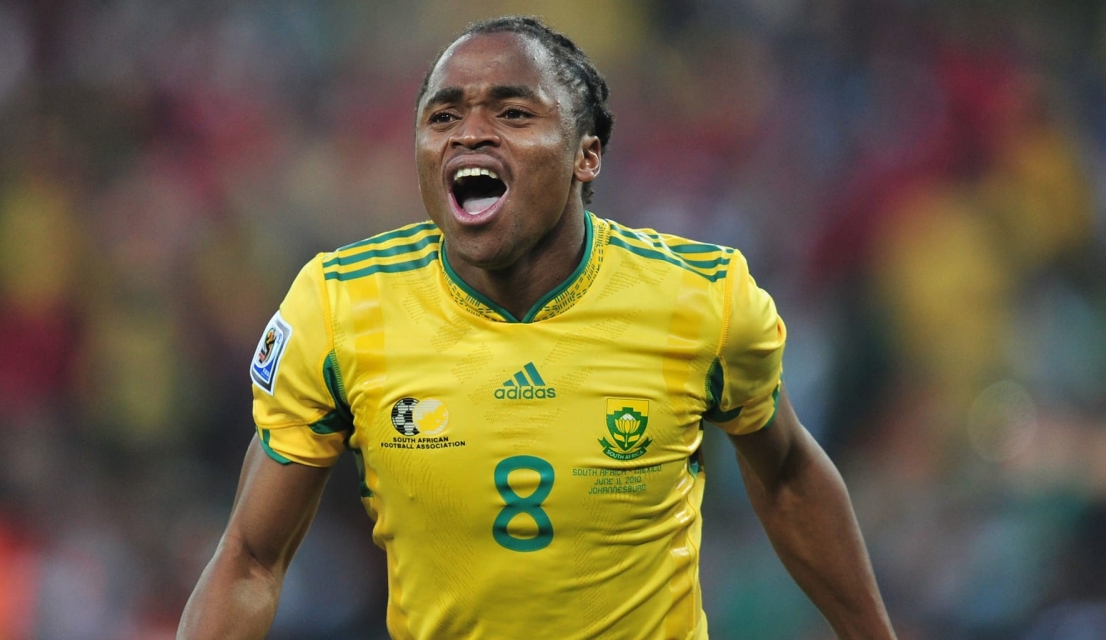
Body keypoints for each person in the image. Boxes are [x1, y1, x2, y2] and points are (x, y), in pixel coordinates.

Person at [179, 16, 895, 640]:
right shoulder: (340, 307)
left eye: (514, 113)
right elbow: (250, 559)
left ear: (587, 155)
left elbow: (788, 475)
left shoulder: (701, 300)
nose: (469, 133)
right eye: (443, 117)